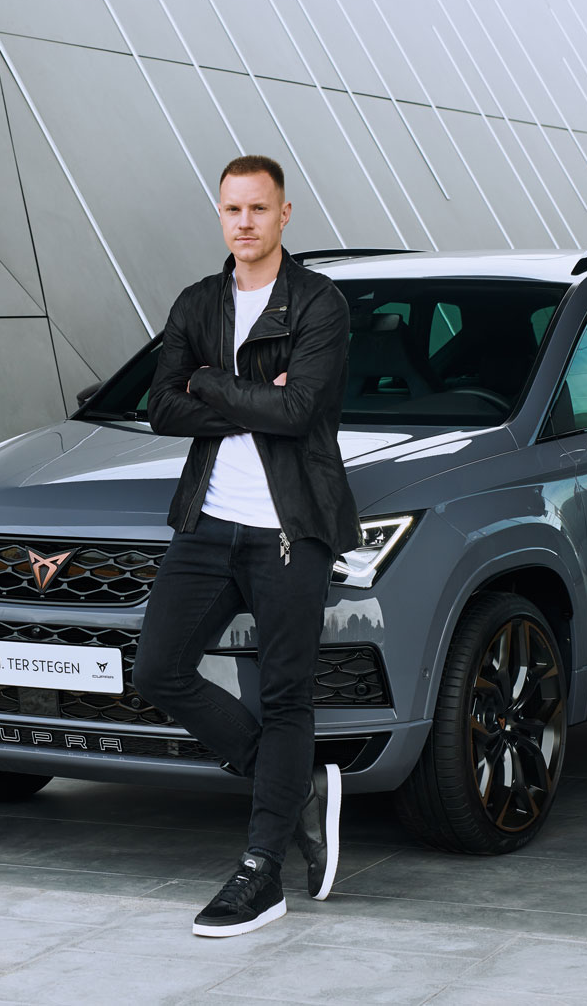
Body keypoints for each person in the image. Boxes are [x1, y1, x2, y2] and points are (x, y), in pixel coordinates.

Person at [134, 154, 363, 937]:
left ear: (284, 214)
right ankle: (292, 781)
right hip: (207, 523)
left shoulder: (319, 303)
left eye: (258, 208)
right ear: (220, 213)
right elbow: (160, 406)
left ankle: (262, 870)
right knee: (158, 667)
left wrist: (208, 382)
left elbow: (298, 412)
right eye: (232, 208)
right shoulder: (198, 303)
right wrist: (253, 396)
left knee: (287, 693)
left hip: (290, 529)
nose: (244, 222)